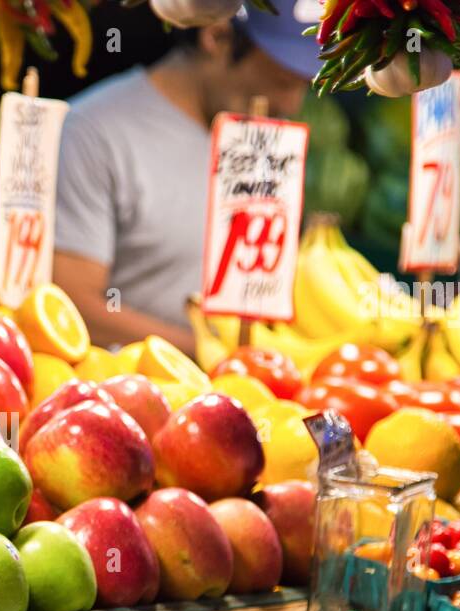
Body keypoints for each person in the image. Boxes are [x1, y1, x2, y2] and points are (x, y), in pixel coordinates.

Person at [53, 5, 323, 356]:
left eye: (304, 85)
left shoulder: (265, 141)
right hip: (130, 393)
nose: (292, 101)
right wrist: (212, 354)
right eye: (282, 81)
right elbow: (73, 305)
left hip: (250, 393)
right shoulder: (93, 132)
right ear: (217, 36)